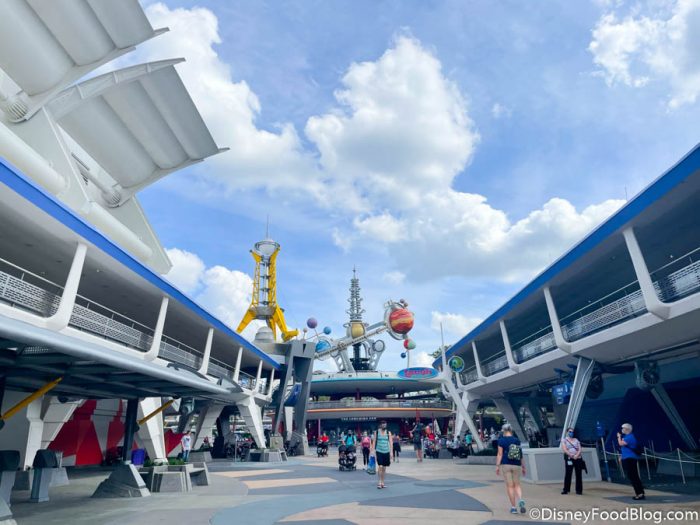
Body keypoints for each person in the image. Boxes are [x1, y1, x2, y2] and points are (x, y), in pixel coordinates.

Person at [496, 423, 526, 515]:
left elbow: (500, 454)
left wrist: (497, 466)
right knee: (517, 485)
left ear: (504, 431)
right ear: (511, 430)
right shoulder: (516, 440)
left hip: (506, 464)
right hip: (517, 464)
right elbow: (520, 454)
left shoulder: (501, 440)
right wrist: (523, 466)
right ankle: (520, 499)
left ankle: (513, 508)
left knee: (510, 486)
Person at [617, 423, 645, 500]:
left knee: (633, 475)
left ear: (627, 429)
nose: (622, 429)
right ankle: (640, 492)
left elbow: (621, 444)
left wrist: (619, 437)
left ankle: (639, 493)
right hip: (628, 457)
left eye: (623, 428)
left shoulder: (629, 437)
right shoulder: (627, 437)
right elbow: (625, 448)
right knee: (632, 475)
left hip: (630, 458)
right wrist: (621, 456)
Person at [560, 427, 584, 495]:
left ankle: (579, 490)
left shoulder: (576, 440)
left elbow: (579, 449)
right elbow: (565, 449)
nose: (571, 433)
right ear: (567, 432)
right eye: (570, 432)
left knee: (578, 474)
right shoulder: (564, 440)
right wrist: (571, 455)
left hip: (578, 458)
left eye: (572, 432)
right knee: (568, 474)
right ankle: (566, 489)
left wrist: (577, 455)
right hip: (569, 458)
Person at [372, 420, 392, 489]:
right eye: (383, 424)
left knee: (384, 468)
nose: (384, 425)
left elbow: (391, 442)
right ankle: (379, 482)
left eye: (385, 424)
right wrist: (372, 451)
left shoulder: (388, 433)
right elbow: (374, 441)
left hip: (386, 451)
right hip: (379, 451)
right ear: (380, 425)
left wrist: (391, 452)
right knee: (380, 466)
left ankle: (383, 482)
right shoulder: (376, 432)